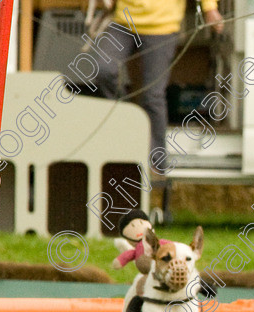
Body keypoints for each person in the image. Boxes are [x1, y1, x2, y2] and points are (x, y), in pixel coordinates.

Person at [92, 0, 224, 223]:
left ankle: (157, 162)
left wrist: (210, 9)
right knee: (104, 71)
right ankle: (122, 128)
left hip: (162, 27)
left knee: (153, 96)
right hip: (123, 21)